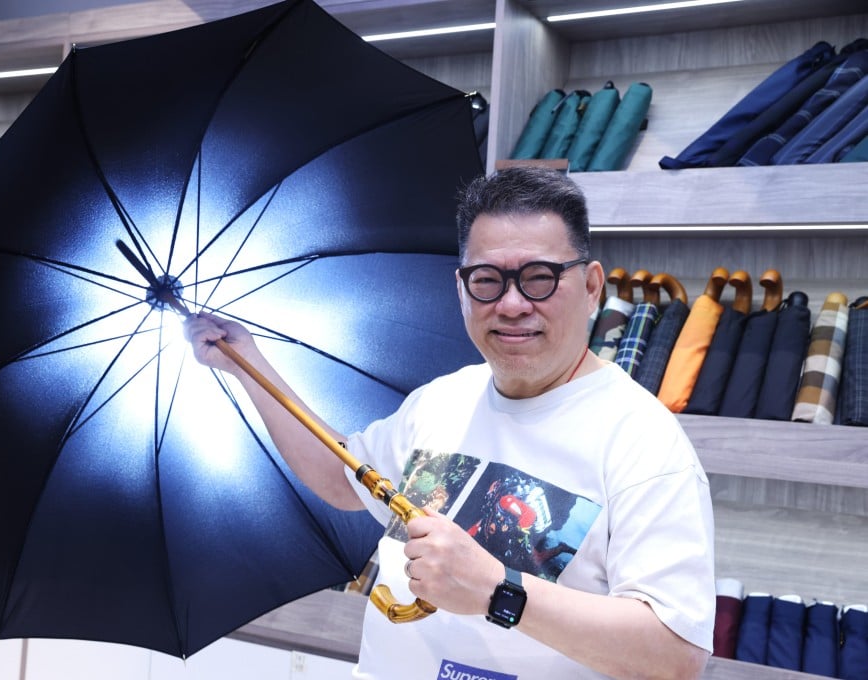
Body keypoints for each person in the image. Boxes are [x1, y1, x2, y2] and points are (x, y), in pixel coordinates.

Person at [185, 166, 715, 679]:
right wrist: (246, 364)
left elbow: (674, 655)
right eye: (487, 280)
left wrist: (498, 591)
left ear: (592, 285)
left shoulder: (644, 444)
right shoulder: (441, 400)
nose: (511, 304)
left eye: (538, 278)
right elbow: (342, 477)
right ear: (461, 288)